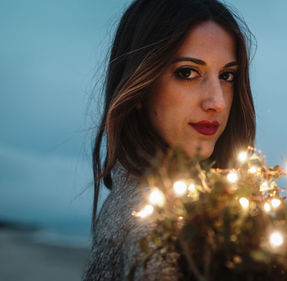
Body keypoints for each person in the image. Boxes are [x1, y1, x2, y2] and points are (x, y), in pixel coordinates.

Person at [82, 0, 255, 280]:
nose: (218, 102)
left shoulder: (163, 203)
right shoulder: (161, 225)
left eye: (226, 75)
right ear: (140, 83)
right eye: (187, 72)